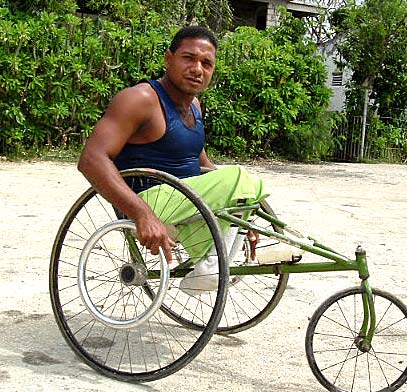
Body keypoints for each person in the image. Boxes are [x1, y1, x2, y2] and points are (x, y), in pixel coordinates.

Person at [78, 26, 266, 293]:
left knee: (247, 186)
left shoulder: (195, 107)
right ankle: (209, 269)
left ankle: (212, 265)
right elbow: (91, 159)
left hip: (185, 201)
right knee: (240, 177)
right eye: (188, 58)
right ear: (168, 59)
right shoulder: (141, 99)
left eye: (206, 63)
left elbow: (202, 165)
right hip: (149, 202)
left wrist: (242, 214)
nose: (197, 69)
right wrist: (142, 214)